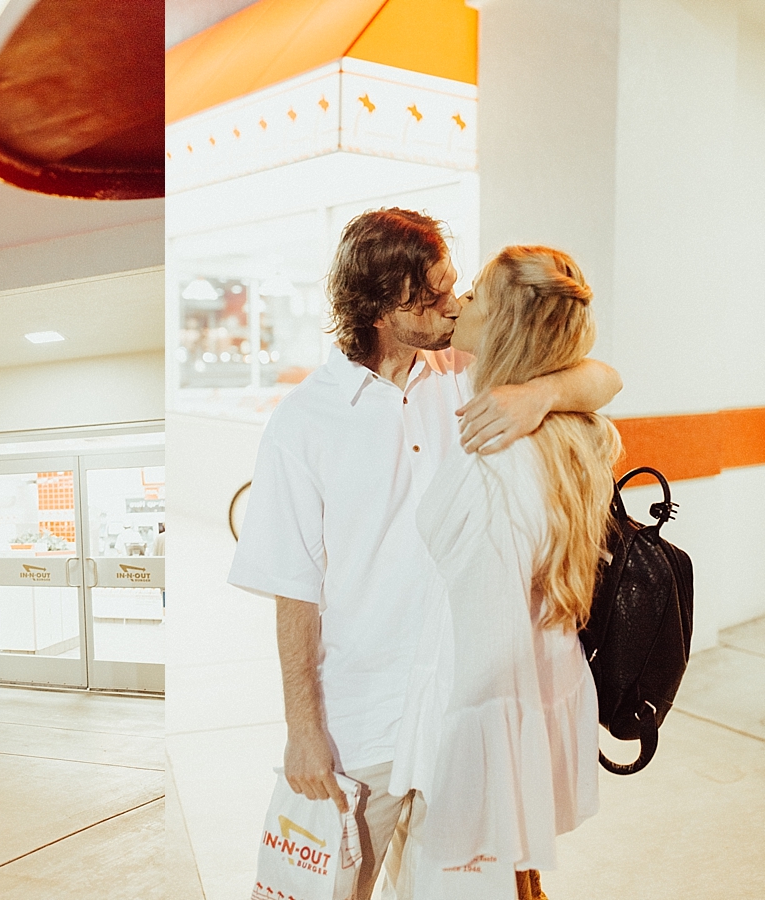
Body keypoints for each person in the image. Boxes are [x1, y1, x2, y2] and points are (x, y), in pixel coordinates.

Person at [228, 208, 622, 899]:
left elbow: (604, 377)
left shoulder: (470, 373)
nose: (453, 304)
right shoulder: (302, 424)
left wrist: (542, 392)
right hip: (361, 726)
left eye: (451, 284)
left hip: (460, 724)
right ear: (378, 306)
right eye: (430, 295)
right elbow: (295, 592)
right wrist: (303, 731)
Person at [389, 246, 619, 899]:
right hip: (531, 691)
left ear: (508, 328)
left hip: (479, 716)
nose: (458, 303)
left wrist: (458, 779)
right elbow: (603, 377)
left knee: (465, 878)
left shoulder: (495, 449)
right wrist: (545, 390)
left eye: (476, 297)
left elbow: (489, 657)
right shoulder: (560, 426)